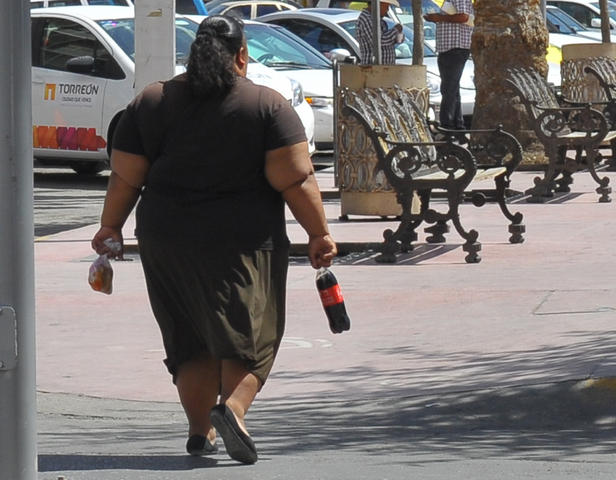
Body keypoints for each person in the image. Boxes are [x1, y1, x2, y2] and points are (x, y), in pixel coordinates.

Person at [91, 15, 337, 464]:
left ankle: (199, 431)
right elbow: (295, 179)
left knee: (189, 336)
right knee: (250, 335)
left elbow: (125, 177)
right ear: (242, 55)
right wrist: (318, 233)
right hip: (244, 241)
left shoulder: (152, 101)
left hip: (166, 240)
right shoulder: (266, 106)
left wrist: (110, 227)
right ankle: (233, 411)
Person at [424, 0, 473, 130]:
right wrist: (436, 18)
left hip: (455, 48)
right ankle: (457, 126)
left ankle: (447, 126)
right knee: (452, 89)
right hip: (447, 48)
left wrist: (439, 18)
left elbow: (463, 16)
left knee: (448, 89)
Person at [356, 0, 404, 64]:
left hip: (384, 67)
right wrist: (395, 30)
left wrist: (397, 37)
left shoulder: (379, 20)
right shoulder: (366, 18)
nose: (387, 10)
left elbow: (387, 40)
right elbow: (379, 41)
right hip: (372, 66)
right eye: (386, 7)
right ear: (379, 4)